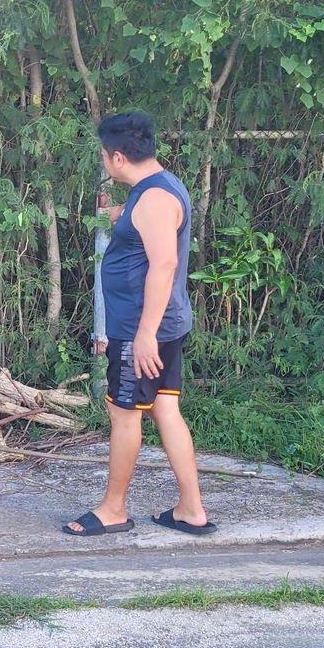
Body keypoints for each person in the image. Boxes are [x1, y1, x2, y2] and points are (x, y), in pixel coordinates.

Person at [63, 111, 216, 537]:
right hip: (162, 322)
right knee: (165, 406)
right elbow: (151, 234)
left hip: (141, 328)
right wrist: (120, 217)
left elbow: (164, 263)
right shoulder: (157, 187)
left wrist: (145, 334)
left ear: (116, 157)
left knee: (123, 412)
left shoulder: (153, 200)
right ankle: (191, 509)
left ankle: (113, 509)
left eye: (102, 157)